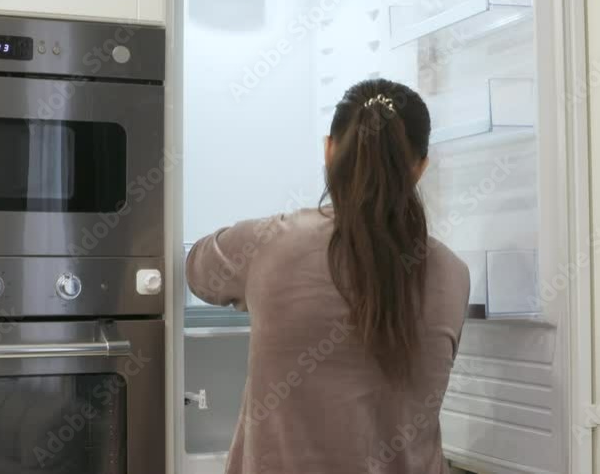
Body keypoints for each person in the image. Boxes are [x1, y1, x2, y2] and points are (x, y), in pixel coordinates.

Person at [186, 78, 471, 474]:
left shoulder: (268, 243)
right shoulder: (453, 274)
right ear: (421, 167)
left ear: (329, 150)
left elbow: (197, 270)